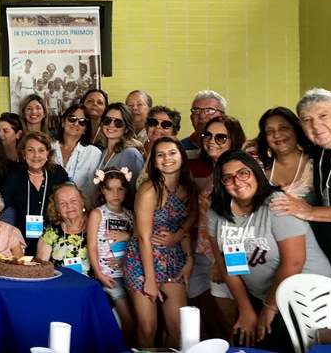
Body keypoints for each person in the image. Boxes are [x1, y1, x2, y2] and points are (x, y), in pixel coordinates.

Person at [208, 150, 331, 352]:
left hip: (302, 293)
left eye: (243, 173)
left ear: (255, 172)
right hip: (261, 294)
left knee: (278, 339)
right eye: (228, 178)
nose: (237, 182)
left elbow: (294, 263)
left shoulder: (277, 204)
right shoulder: (218, 211)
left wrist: (269, 307)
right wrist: (246, 309)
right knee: (244, 340)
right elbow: (227, 263)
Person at [271, 89, 331, 314]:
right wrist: (255, 146)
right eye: (307, 120)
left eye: (323, 115)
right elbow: (286, 149)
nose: (315, 125)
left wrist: (309, 212)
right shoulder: (319, 150)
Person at [125, 137, 197, 349]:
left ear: (181, 157)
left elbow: (191, 218)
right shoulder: (149, 190)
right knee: (148, 328)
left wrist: (188, 256)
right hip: (142, 259)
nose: (167, 158)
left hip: (173, 257)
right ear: (154, 162)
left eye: (172, 153)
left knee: (178, 327)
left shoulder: (189, 188)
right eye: (160, 155)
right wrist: (150, 279)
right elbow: (143, 237)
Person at [191, 115, 246, 341]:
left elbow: (241, 221)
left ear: (234, 140)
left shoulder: (235, 173)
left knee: (234, 323)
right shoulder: (216, 171)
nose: (212, 141)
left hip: (228, 256)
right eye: (208, 135)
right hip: (208, 252)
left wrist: (220, 260)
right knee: (222, 323)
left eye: (221, 137)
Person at [86, 168, 136, 342]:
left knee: (137, 318)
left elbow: (137, 241)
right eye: (110, 189)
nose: (115, 194)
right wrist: (99, 274)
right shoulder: (97, 213)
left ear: (126, 190)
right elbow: (92, 245)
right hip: (109, 276)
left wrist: (127, 235)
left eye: (120, 189)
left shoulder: (130, 215)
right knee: (129, 320)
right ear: (102, 190)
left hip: (129, 273)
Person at [2, 132, 69, 256]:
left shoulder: (58, 174)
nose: (36, 155)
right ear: (23, 153)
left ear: (48, 153)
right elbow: (3, 210)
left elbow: (69, 203)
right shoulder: (14, 178)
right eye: (30, 150)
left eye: (41, 150)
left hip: (55, 242)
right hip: (21, 243)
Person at [255, 107, 314, 198]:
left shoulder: (315, 165)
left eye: (283, 128)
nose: (276, 135)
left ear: (296, 130)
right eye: (269, 131)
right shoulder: (259, 169)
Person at [50, 104, 102, 204]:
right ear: (63, 121)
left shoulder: (93, 153)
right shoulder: (48, 148)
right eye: (72, 119)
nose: (76, 124)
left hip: (79, 208)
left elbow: (93, 190)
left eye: (82, 122)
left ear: (85, 129)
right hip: (50, 207)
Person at [36, 183, 92, 274]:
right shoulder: (51, 232)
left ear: (82, 202)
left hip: (92, 282)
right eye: (62, 203)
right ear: (56, 208)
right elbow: (40, 268)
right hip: (60, 282)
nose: (69, 206)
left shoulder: (95, 225)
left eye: (73, 201)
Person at [95, 103, 145, 179]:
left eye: (118, 122)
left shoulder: (131, 154)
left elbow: (132, 185)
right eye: (107, 120)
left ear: (127, 128)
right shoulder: (104, 152)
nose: (111, 125)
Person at [183, 90, 228, 157]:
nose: (202, 116)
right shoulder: (179, 148)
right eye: (196, 110)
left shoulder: (235, 147)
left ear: (223, 117)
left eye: (209, 110)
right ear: (191, 118)